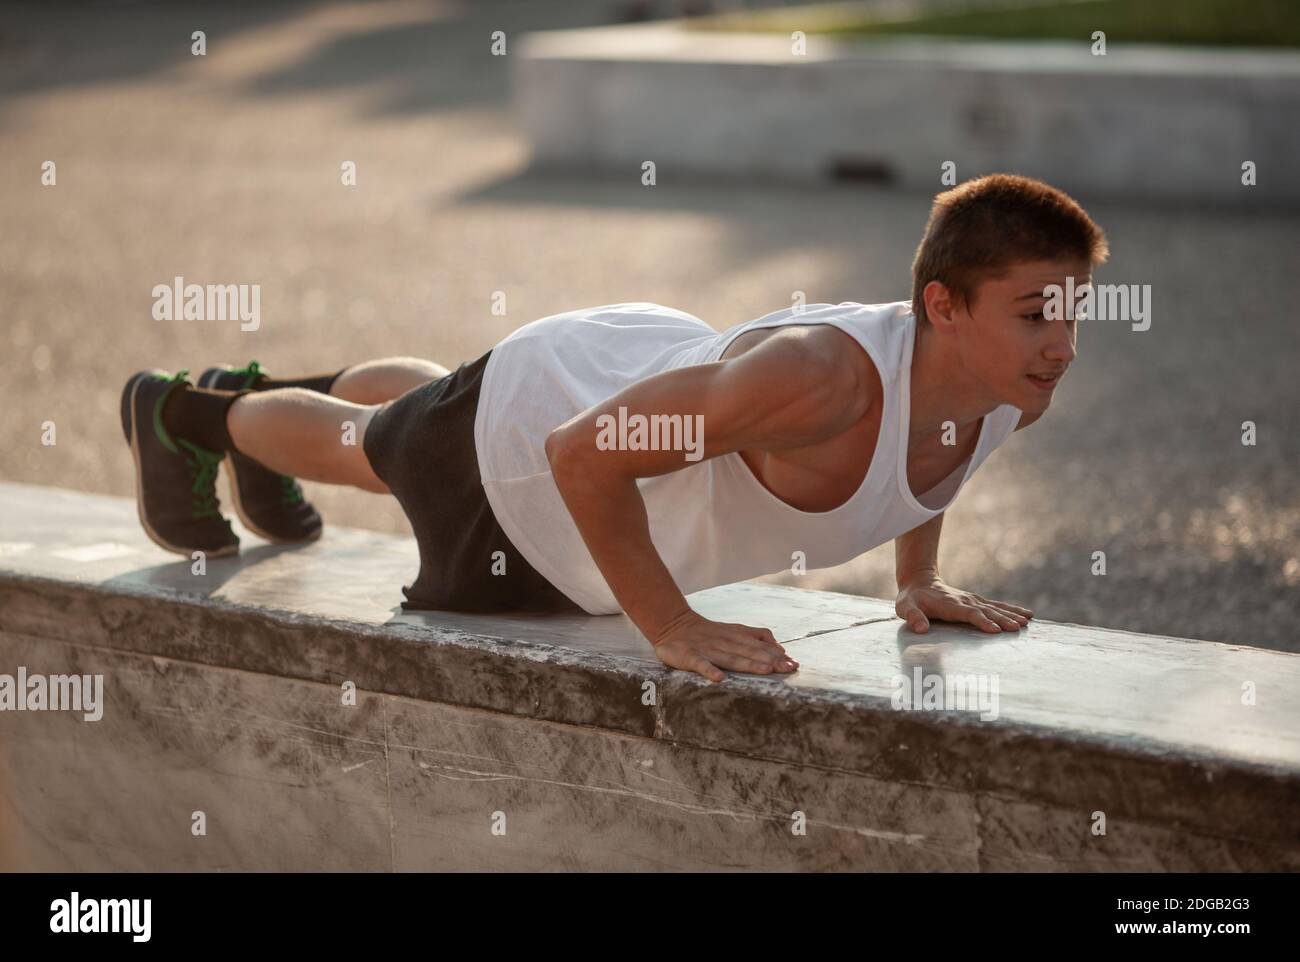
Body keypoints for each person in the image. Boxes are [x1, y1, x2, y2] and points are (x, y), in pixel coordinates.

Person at [120, 173, 1108, 683]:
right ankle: (184, 412)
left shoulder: (1005, 385)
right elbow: (581, 454)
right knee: (374, 452)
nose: (1061, 343)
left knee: (416, 416)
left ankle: (249, 400)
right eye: (1034, 312)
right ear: (942, 305)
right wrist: (669, 624)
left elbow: (921, 461)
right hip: (536, 442)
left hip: (621, 379)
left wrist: (915, 578)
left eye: (1070, 310)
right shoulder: (820, 380)